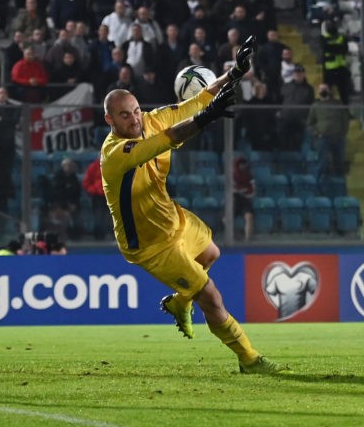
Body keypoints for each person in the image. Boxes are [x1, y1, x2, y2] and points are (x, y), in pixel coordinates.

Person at [100, 35, 287, 374]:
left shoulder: (152, 118)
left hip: (173, 219)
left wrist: (235, 73)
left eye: (136, 111)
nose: (134, 119)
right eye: (124, 116)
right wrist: (206, 119)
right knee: (211, 298)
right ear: (110, 121)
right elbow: (169, 139)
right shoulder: (114, 156)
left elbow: (199, 99)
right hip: (150, 244)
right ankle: (249, 359)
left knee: (211, 255)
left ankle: (178, 301)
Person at [307, 83, 350, 185]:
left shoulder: (338, 104)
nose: (323, 91)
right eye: (321, 89)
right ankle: (318, 185)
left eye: (325, 89)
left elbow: (345, 120)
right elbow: (310, 124)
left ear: (329, 91)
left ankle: (340, 187)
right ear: (318, 92)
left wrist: (342, 133)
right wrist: (317, 134)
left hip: (338, 138)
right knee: (322, 163)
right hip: (323, 139)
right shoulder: (315, 106)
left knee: (339, 163)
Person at [233, 156, 256, 241]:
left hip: (246, 199)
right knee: (226, 219)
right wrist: (239, 191)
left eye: (244, 164)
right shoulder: (233, 175)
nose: (242, 166)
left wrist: (249, 194)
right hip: (235, 200)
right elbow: (232, 189)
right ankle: (233, 237)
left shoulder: (249, 175)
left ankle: (247, 239)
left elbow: (253, 189)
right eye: (241, 164)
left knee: (249, 216)